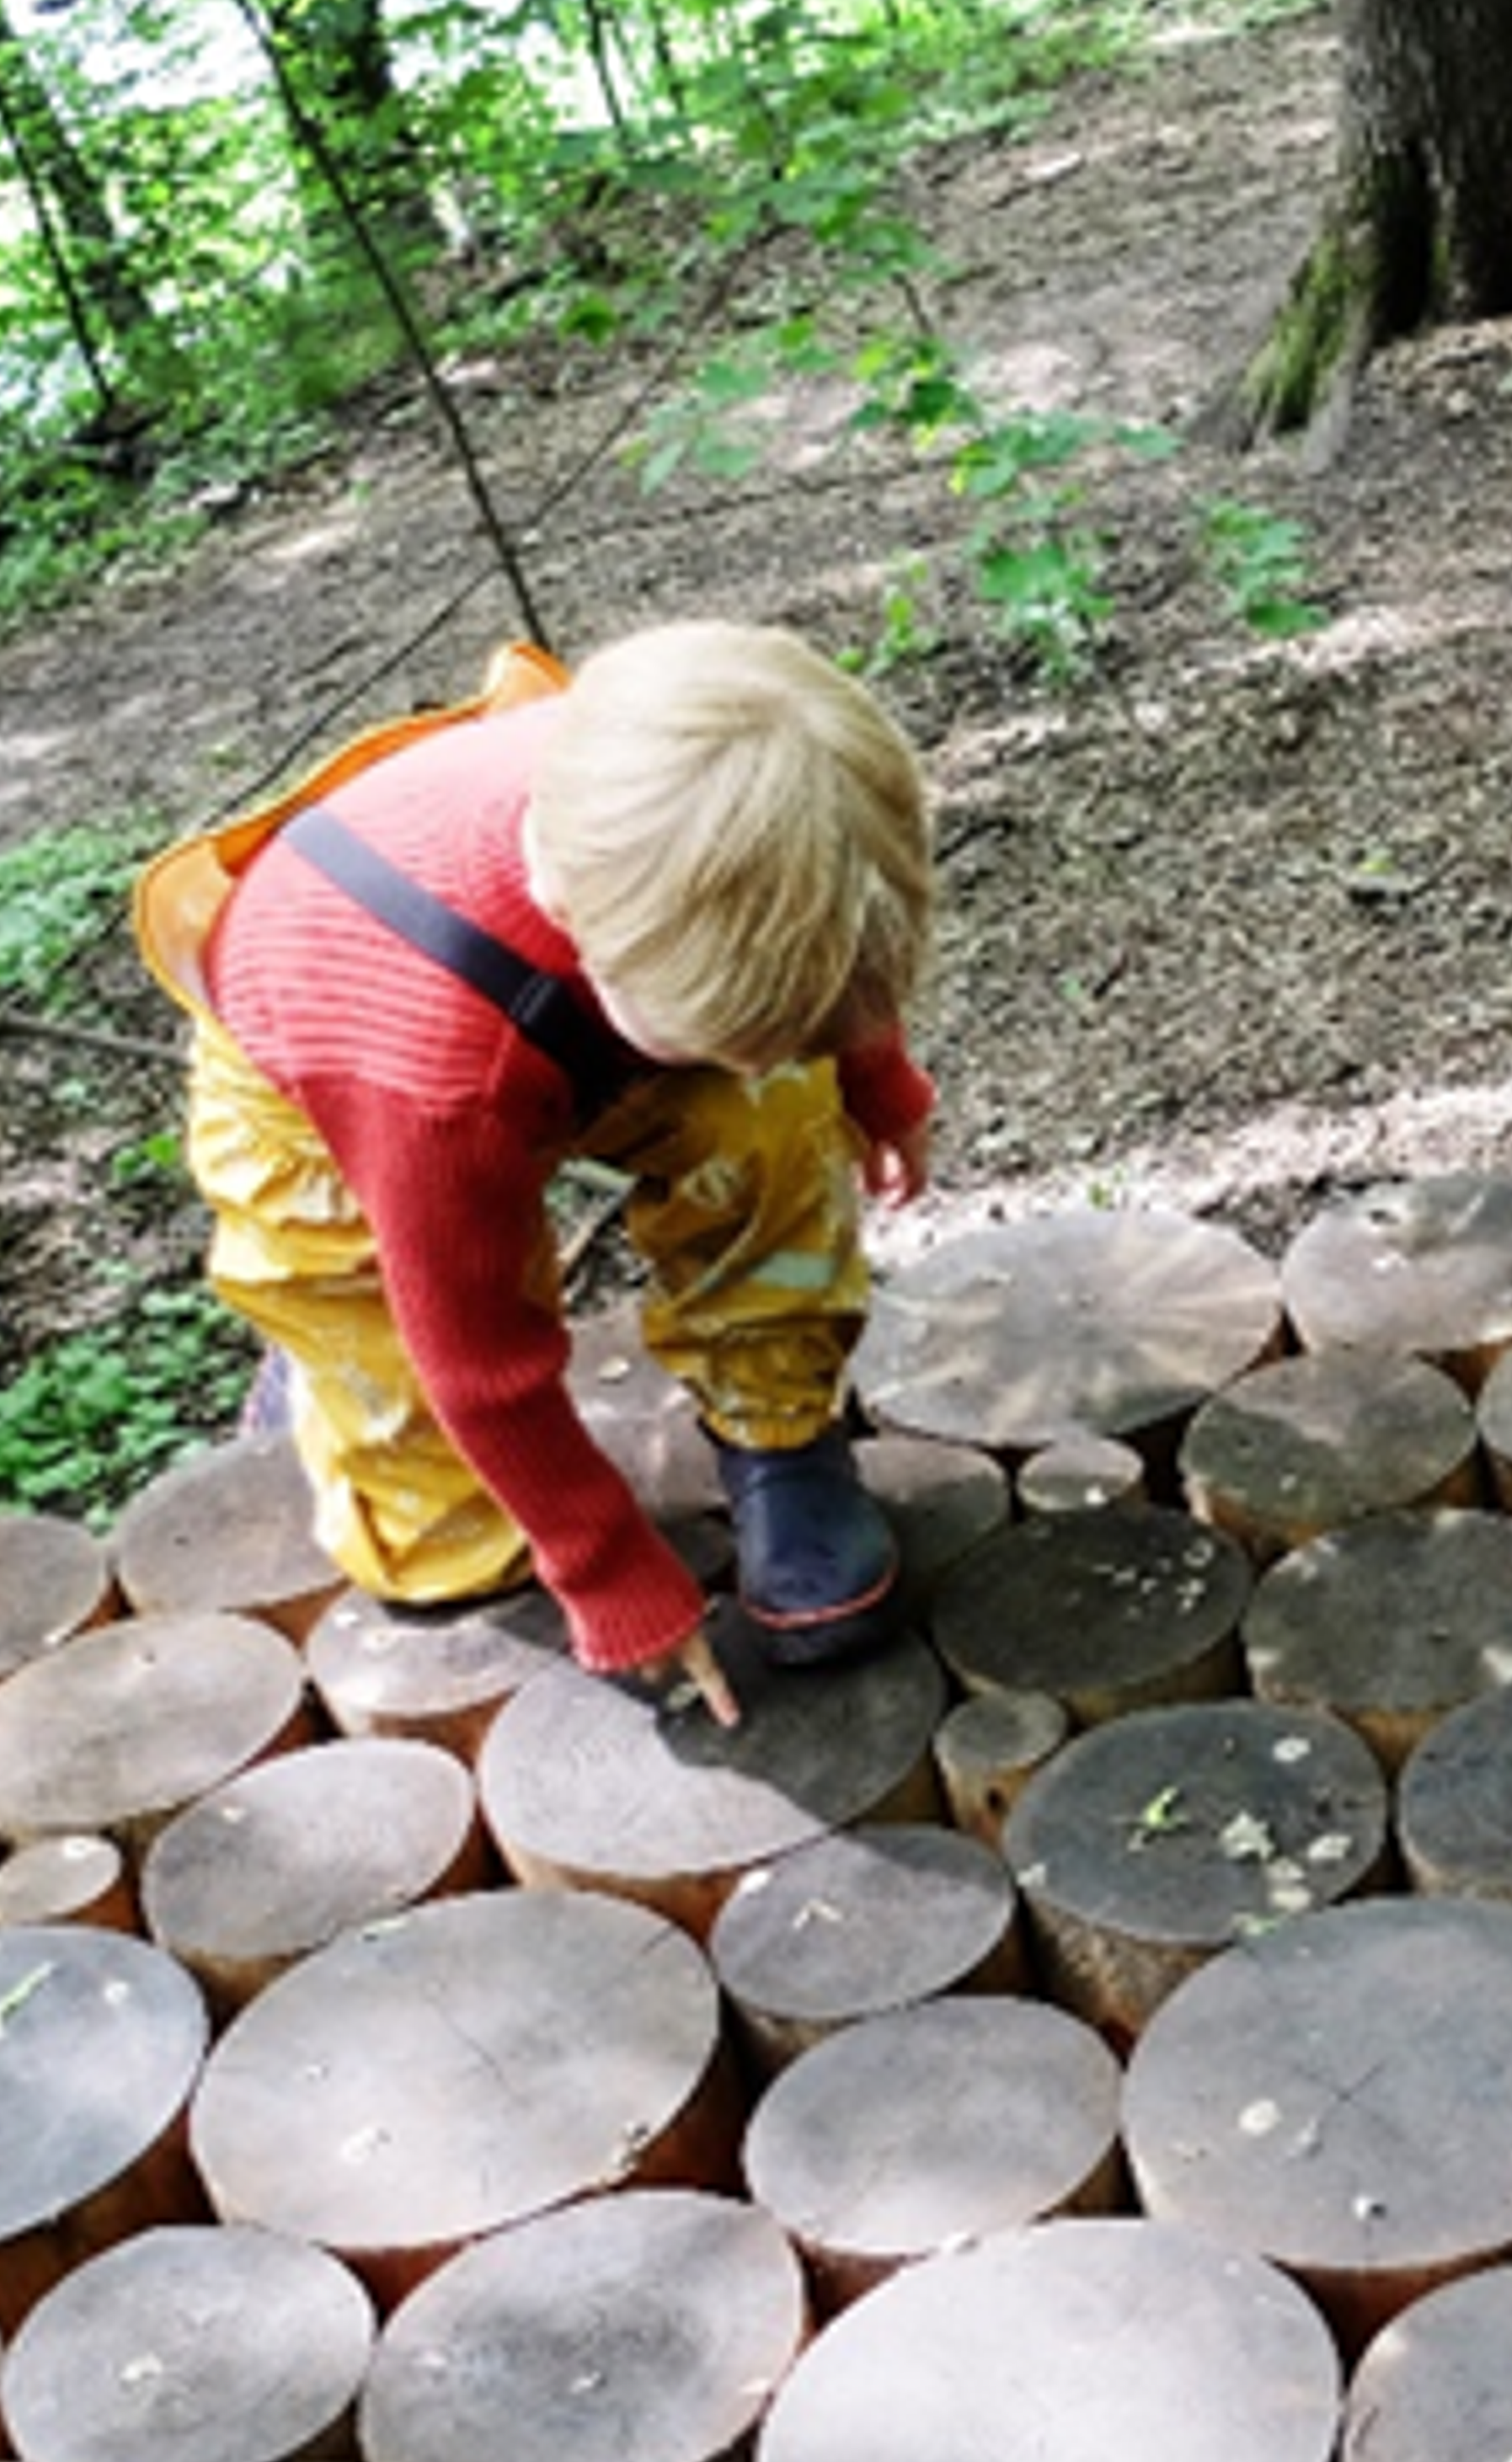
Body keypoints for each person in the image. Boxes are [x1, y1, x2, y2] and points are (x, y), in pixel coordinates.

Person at [134, 620, 936, 1726]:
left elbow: (829, 962)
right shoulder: (428, 1079)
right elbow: (483, 1359)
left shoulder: (714, 819)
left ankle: (777, 1422)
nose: (764, 1054)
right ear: (577, 919)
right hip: (335, 1087)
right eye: (733, 1031)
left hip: (576, 1011)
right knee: (446, 1551)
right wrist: (609, 1572)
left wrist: (874, 1079)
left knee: (773, 1107)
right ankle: (324, 1374)